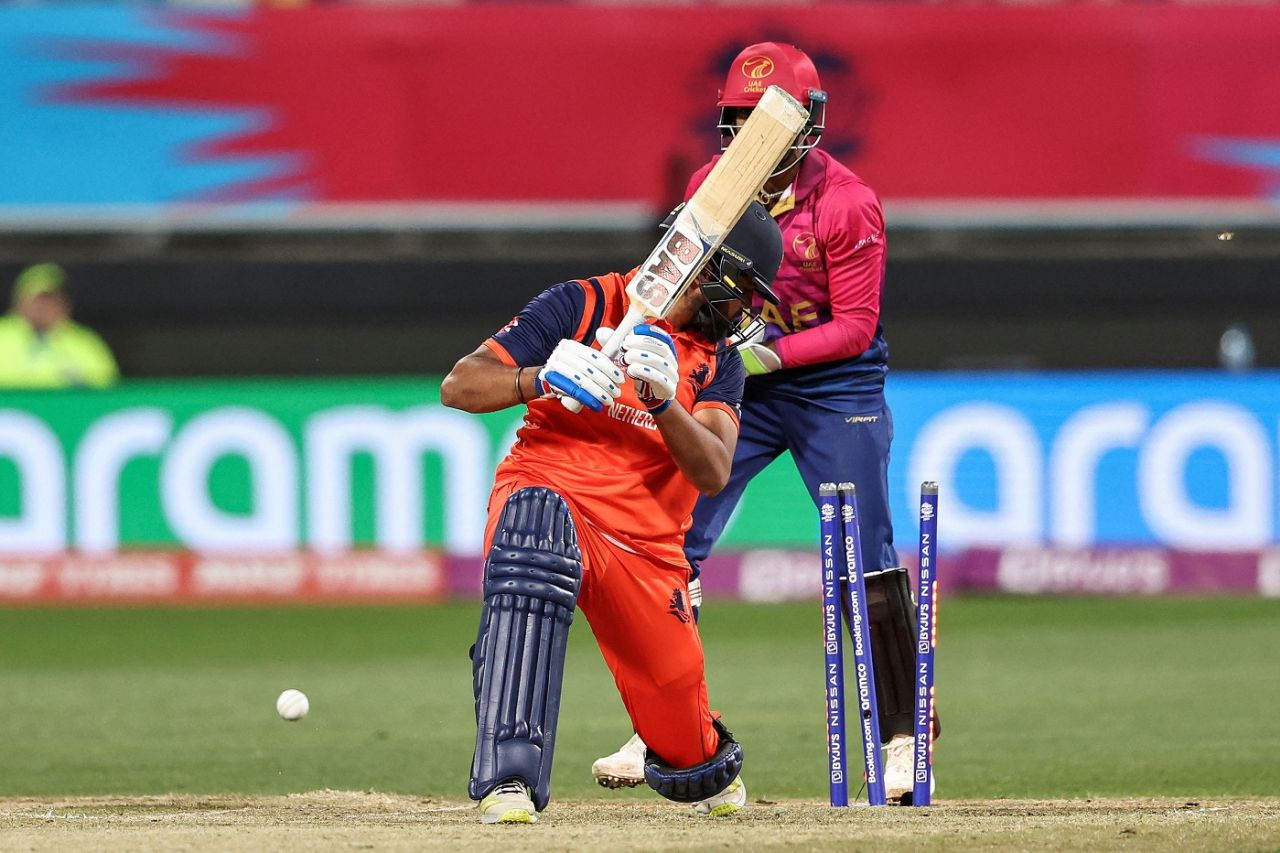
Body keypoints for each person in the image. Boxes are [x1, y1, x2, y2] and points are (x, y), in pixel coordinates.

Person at [591, 42, 931, 804]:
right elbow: (681, 292)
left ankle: (903, 733)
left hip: (835, 387)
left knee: (863, 550)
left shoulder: (848, 203)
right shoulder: (710, 187)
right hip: (742, 379)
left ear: (806, 126)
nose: (749, 137)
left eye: (765, 121)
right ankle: (665, 724)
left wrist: (764, 357)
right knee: (671, 540)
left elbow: (854, 327)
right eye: (738, 120)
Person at [441, 202, 784, 824]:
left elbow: (711, 471)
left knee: (687, 743)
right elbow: (460, 385)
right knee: (531, 546)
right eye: (742, 297)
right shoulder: (585, 304)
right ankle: (509, 781)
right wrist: (540, 377)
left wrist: (663, 403)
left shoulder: (719, 362)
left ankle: (701, 759)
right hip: (550, 489)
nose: (744, 315)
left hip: (646, 546)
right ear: (709, 273)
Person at [0, 262, 119, 389]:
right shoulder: (3, 334)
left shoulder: (85, 342)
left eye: (51, 300)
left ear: (64, 304)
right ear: (18, 302)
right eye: (37, 300)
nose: (43, 307)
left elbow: (108, 391)